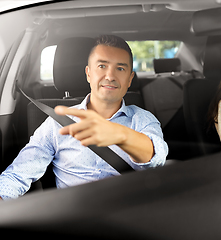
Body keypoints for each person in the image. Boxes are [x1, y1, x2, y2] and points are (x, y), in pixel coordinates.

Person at [0, 35, 168, 200]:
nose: (110, 76)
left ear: (130, 79)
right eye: (102, 66)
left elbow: (156, 159)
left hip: (129, 215)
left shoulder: (143, 119)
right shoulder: (57, 122)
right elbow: (19, 174)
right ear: (88, 73)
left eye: (120, 68)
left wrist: (120, 135)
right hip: (75, 219)